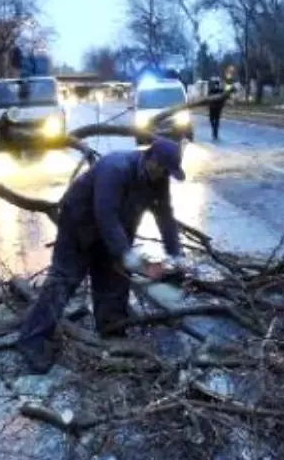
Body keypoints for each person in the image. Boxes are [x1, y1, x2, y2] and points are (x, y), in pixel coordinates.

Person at [16, 137, 192, 374]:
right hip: (80, 223)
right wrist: (127, 255)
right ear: (152, 159)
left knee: (114, 279)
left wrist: (176, 255)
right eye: (164, 170)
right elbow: (105, 214)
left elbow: (165, 216)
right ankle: (32, 339)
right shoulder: (116, 168)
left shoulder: (158, 179)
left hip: (117, 226)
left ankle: (111, 328)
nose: (165, 176)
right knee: (64, 279)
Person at [207, 76, 226, 141]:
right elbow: (223, 100)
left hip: (213, 108)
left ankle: (215, 131)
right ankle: (215, 131)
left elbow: (208, 99)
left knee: (213, 120)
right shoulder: (220, 91)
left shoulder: (212, 91)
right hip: (217, 108)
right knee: (216, 120)